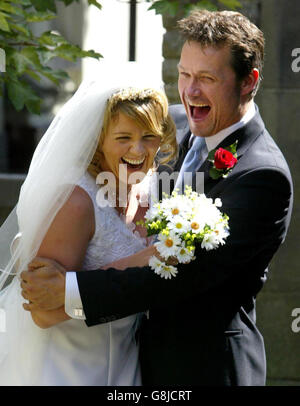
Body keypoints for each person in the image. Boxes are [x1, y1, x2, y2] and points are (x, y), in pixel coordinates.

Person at [21, 10, 293, 385]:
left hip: (202, 369)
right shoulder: (168, 126)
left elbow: (179, 273)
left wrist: (67, 288)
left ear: (249, 82)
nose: (190, 90)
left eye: (207, 79)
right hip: (121, 361)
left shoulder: (262, 175)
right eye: (185, 75)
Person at [0, 77, 177, 385]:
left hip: (125, 364)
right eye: (123, 137)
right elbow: (42, 313)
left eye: (149, 136)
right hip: (68, 369)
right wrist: (144, 261)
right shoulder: (76, 202)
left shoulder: (149, 188)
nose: (137, 149)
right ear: (99, 140)